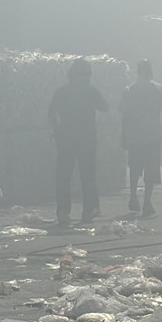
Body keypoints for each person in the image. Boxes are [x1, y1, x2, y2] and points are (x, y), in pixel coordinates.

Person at [49, 58, 109, 226]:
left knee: (63, 176)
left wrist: (57, 131)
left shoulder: (62, 91)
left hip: (66, 138)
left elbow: (51, 112)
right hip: (86, 139)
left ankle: (63, 211)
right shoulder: (91, 91)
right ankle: (89, 210)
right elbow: (105, 107)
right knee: (87, 175)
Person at [120, 59, 162, 219]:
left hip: (135, 136)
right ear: (150, 70)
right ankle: (147, 202)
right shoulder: (158, 89)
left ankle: (133, 196)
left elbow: (125, 115)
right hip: (152, 135)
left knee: (134, 167)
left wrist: (124, 135)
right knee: (151, 170)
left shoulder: (130, 90)